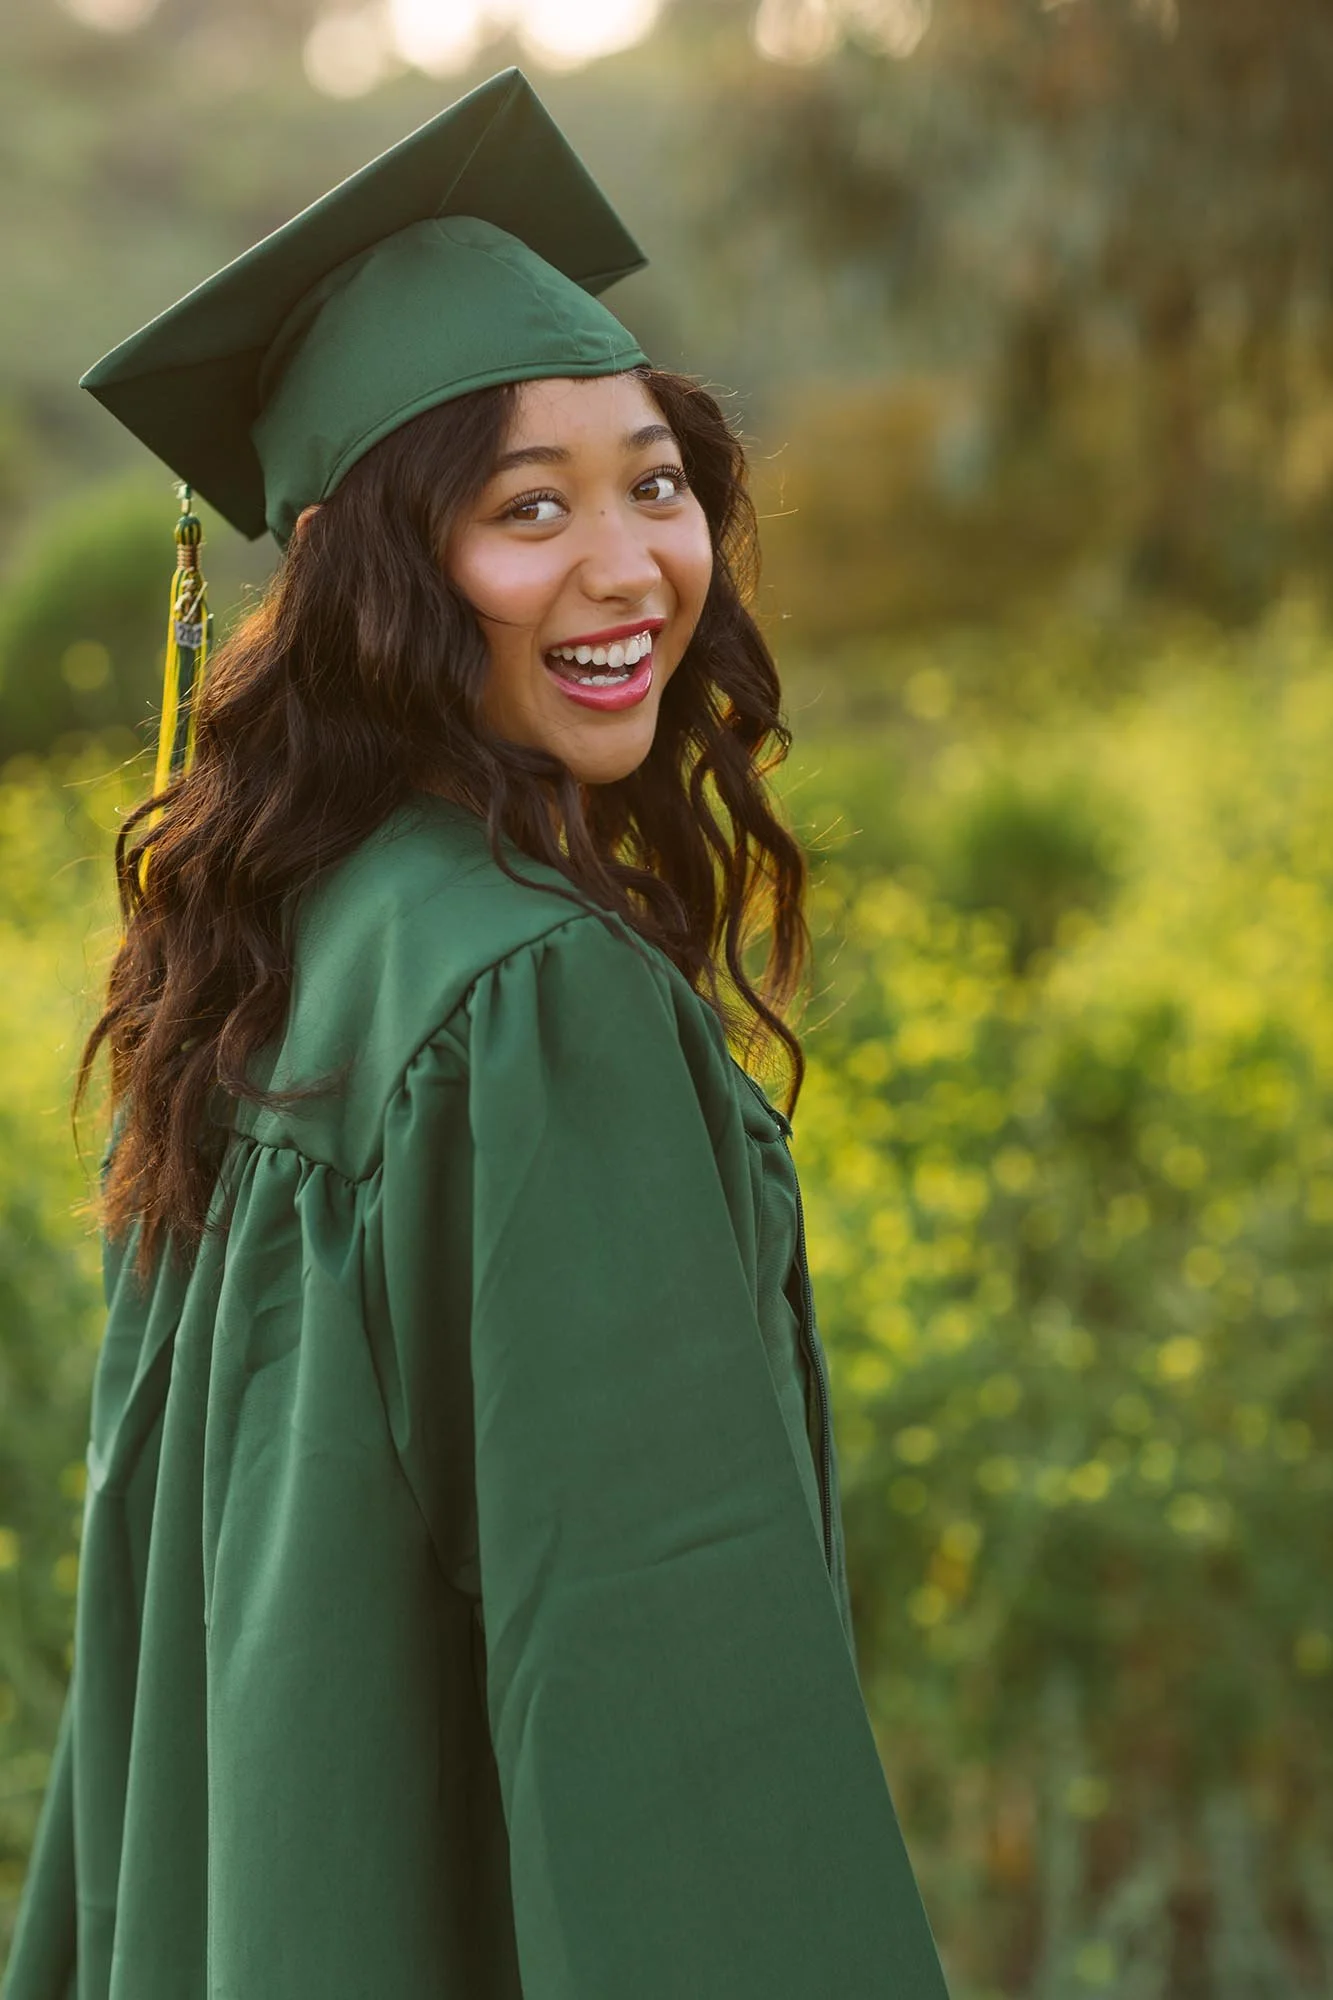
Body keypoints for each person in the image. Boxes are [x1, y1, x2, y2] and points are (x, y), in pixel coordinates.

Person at [2, 68, 952, 2000]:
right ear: (378, 579)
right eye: (530, 508)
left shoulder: (292, 938)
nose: (629, 570)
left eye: (657, 482)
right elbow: (664, 1693)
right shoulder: (532, 1004)